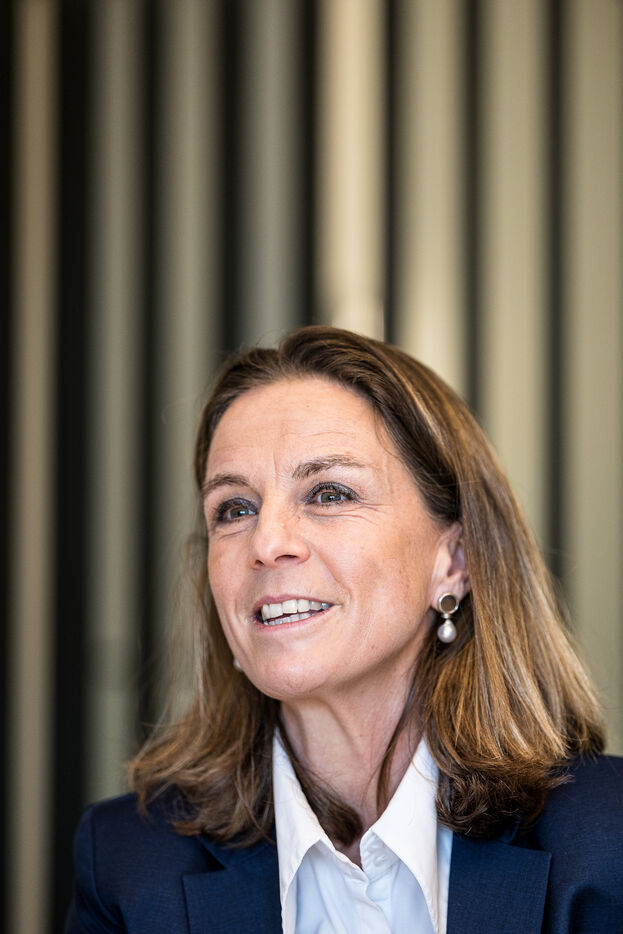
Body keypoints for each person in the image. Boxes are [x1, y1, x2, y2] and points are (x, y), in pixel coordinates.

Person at [65, 326, 623, 934]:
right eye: (235, 508)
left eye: (329, 493)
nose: (266, 542)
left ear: (455, 561)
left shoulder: (607, 842)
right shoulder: (126, 862)